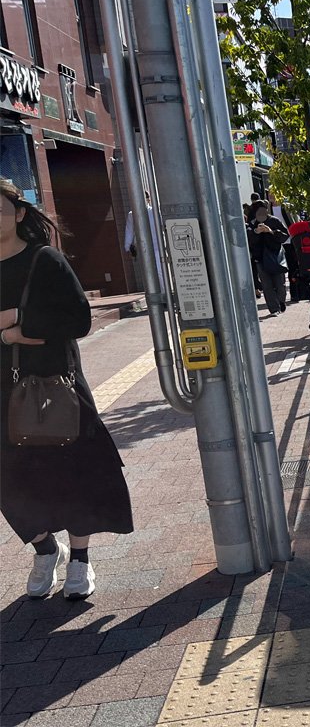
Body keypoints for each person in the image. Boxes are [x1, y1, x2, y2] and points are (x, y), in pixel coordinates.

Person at [0, 179, 134, 600]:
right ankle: (44, 549)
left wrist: (18, 325)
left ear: (19, 213)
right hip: (2, 394)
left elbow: (77, 321)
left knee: (76, 474)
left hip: (56, 386)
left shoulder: (46, 260)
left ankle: (79, 560)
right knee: (10, 482)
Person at [247, 200, 290, 315]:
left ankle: (281, 302)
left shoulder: (274, 221)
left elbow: (285, 236)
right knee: (267, 286)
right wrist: (256, 232)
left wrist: (271, 231)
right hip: (260, 258)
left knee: (279, 283)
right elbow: (249, 241)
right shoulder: (252, 224)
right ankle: (274, 309)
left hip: (276, 257)